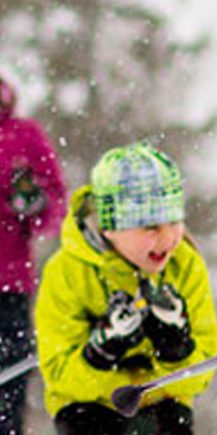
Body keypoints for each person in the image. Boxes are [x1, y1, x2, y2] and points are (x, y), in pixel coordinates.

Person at [35, 141, 217, 435]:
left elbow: (202, 372)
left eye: (174, 221)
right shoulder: (67, 272)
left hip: (162, 401)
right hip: (90, 404)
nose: (169, 238)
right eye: (151, 227)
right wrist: (100, 353)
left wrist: (176, 349)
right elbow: (58, 374)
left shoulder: (185, 266)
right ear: (110, 227)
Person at [0, 75, 66, 434]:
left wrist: (34, 203)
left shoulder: (24, 135)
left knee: (9, 390)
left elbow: (56, 205)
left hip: (8, 287)